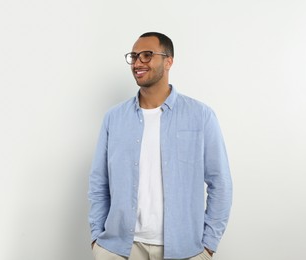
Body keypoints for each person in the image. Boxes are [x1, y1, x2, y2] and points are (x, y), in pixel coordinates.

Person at [88, 32, 232, 260]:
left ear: (168, 61)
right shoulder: (114, 118)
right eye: (134, 56)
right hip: (119, 249)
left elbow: (220, 182)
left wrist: (208, 246)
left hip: (184, 249)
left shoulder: (200, 116)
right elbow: (99, 182)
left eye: (147, 55)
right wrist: (97, 238)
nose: (137, 62)